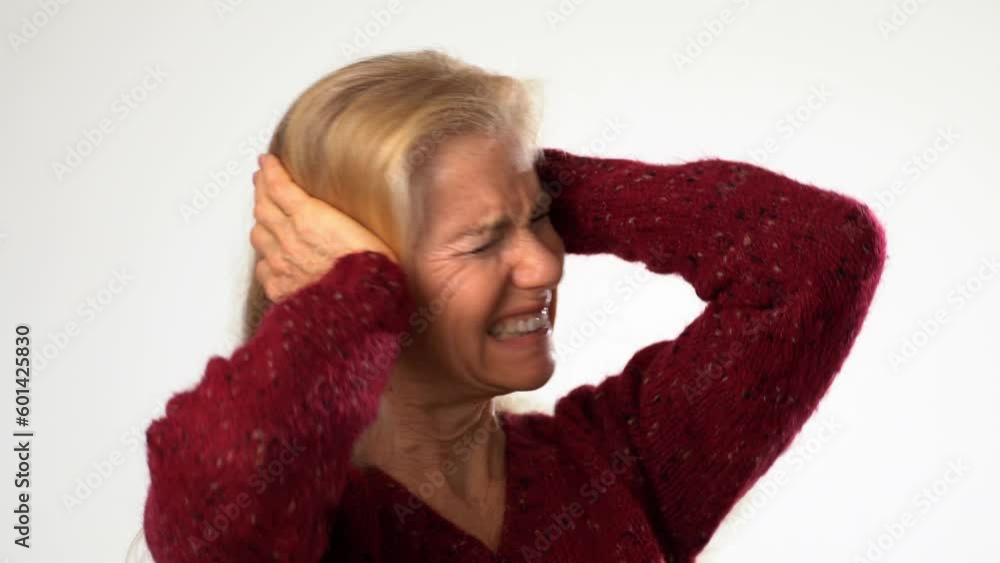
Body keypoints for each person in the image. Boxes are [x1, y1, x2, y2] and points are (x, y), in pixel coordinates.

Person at [140, 49, 887, 562]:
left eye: (538, 219)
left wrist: (538, 183)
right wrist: (354, 294)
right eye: (479, 242)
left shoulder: (608, 464)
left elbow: (820, 255)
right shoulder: (314, 527)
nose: (545, 260)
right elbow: (219, 477)